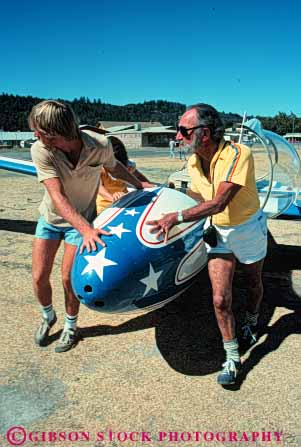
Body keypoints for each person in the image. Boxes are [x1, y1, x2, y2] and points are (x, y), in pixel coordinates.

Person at [148, 103, 267, 386]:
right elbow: (194, 200)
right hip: (219, 233)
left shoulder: (240, 154)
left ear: (205, 132)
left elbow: (218, 202)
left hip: (247, 228)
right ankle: (232, 356)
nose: (178, 136)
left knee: (253, 283)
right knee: (220, 298)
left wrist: (176, 217)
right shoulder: (192, 162)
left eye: (183, 130)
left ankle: (252, 318)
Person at [29, 100, 152, 353]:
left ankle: (70, 326)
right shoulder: (41, 150)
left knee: (67, 278)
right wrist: (86, 230)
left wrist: (139, 185)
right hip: (52, 220)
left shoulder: (100, 144)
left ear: (57, 133)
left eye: (39, 131)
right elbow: (58, 197)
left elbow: (115, 167)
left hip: (82, 221)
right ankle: (47, 316)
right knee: (39, 276)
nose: (35, 135)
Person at [96, 136, 150, 214]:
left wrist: (152, 186)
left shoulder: (129, 166)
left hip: (126, 201)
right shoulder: (99, 168)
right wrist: (113, 198)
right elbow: (99, 188)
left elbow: (140, 178)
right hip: (104, 207)